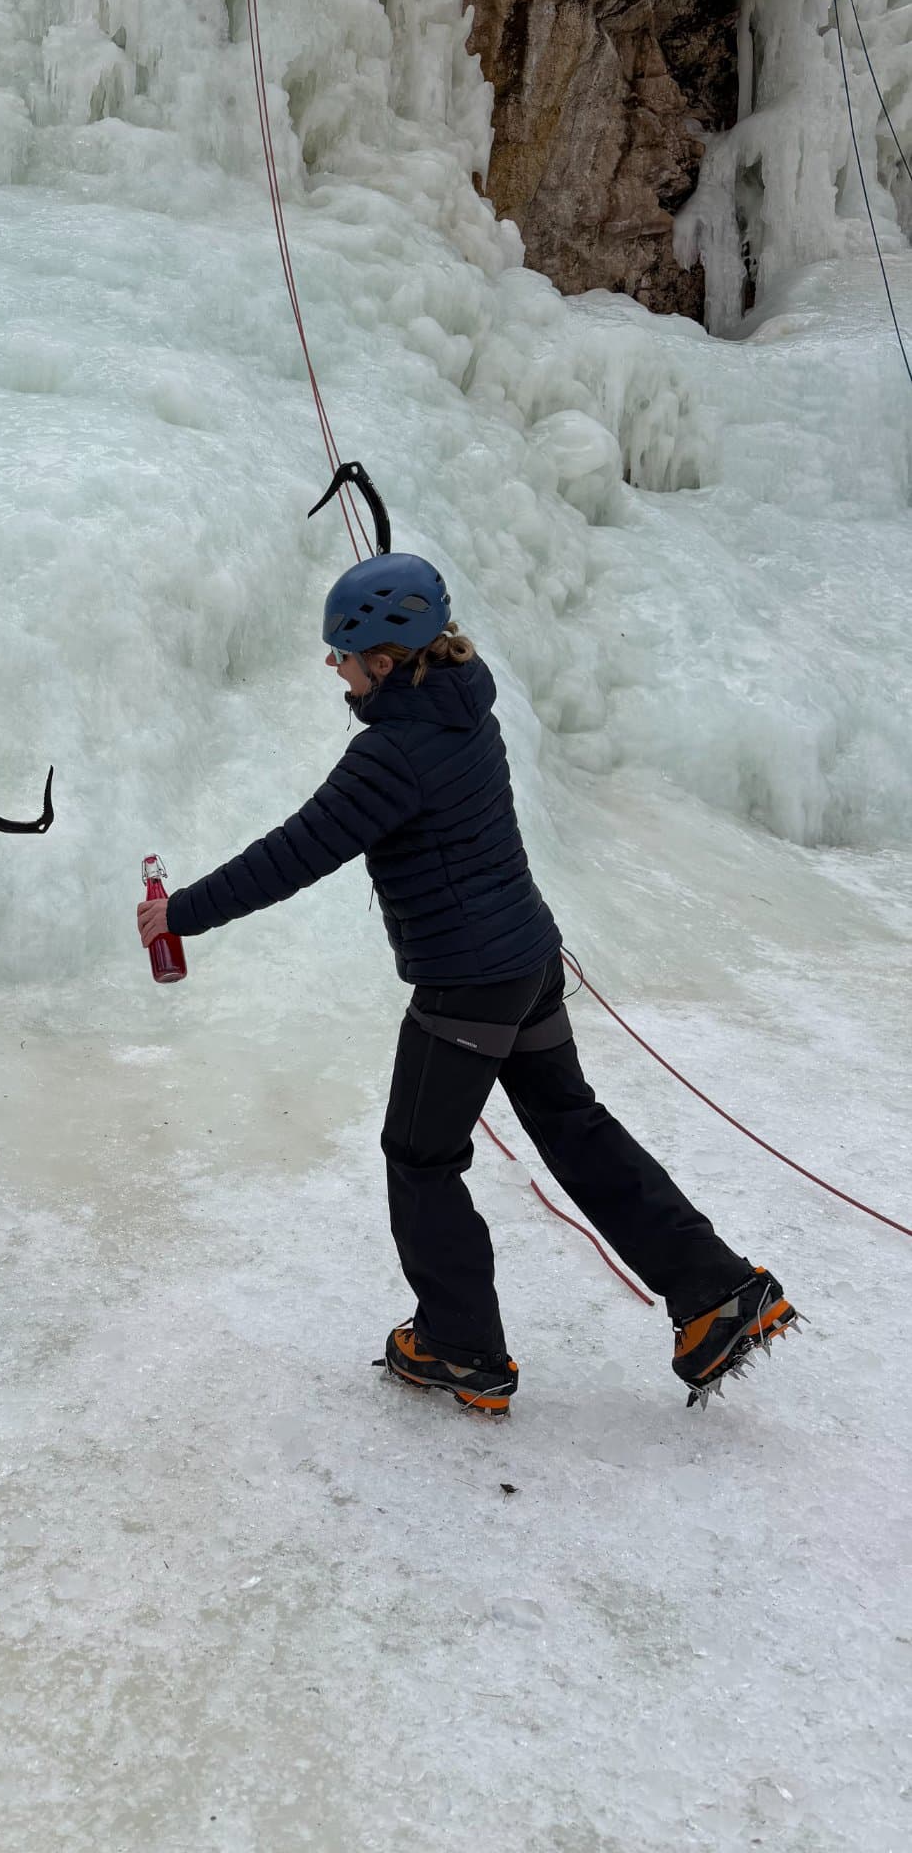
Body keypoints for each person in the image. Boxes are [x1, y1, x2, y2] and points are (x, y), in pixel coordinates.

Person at [136, 553, 798, 1415]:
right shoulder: (464, 706)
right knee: (572, 1125)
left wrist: (180, 913)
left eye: (340, 652)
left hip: (466, 988)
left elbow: (297, 851)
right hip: (526, 964)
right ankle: (719, 1293)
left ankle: (459, 1346)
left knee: (419, 1157)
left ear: (382, 654)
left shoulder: (392, 754)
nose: (329, 665)